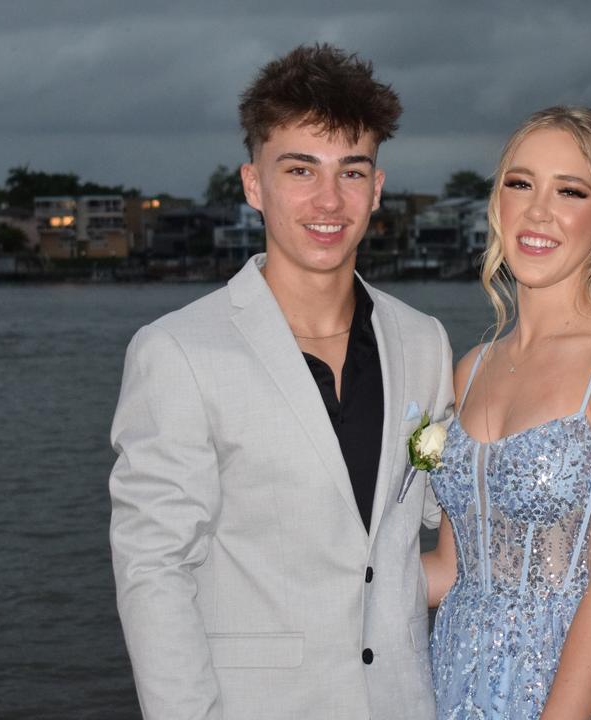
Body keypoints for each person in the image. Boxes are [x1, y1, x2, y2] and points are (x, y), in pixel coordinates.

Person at [107, 45, 455, 719]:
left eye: (351, 172)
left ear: (377, 189)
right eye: (300, 169)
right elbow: (154, 574)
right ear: (253, 184)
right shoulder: (177, 352)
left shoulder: (425, 343)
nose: (329, 200)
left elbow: (453, 517)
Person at [421, 106, 591, 718]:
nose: (538, 211)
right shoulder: (470, 368)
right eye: (520, 184)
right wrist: (328, 574)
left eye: (570, 190)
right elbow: (449, 571)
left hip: (573, 693)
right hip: (454, 682)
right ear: (497, 202)